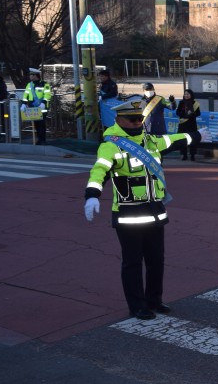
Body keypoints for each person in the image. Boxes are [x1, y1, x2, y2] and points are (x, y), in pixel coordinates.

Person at [83, 99, 190, 320]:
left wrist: (196, 136)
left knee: (156, 260)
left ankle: (154, 300)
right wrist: (92, 195)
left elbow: (173, 139)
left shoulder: (150, 140)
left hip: (154, 210)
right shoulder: (111, 144)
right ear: (118, 120)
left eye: (139, 119)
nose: (136, 123)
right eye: (131, 119)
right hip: (128, 213)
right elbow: (99, 171)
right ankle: (137, 306)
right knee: (132, 263)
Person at [21, 70, 52, 145]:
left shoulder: (45, 84)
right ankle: (38, 139)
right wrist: (23, 103)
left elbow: (47, 94)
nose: (30, 76)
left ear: (35, 75)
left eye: (31, 75)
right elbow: (25, 95)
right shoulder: (29, 85)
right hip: (33, 108)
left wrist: (43, 103)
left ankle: (43, 140)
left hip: (42, 107)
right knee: (36, 124)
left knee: (42, 124)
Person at [174, 89, 201, 161]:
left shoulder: (195, 103)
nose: (186, 95)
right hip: (183, 124)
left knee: (192, 139)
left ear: (191, 95)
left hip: (191, 124)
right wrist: (184, 115)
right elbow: (177, 112)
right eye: (185, 94)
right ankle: (184, 155)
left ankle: (192, 155)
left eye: (188, 94)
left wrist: (192, 114)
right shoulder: (181, 103)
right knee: (183, 139)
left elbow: (198, 113)